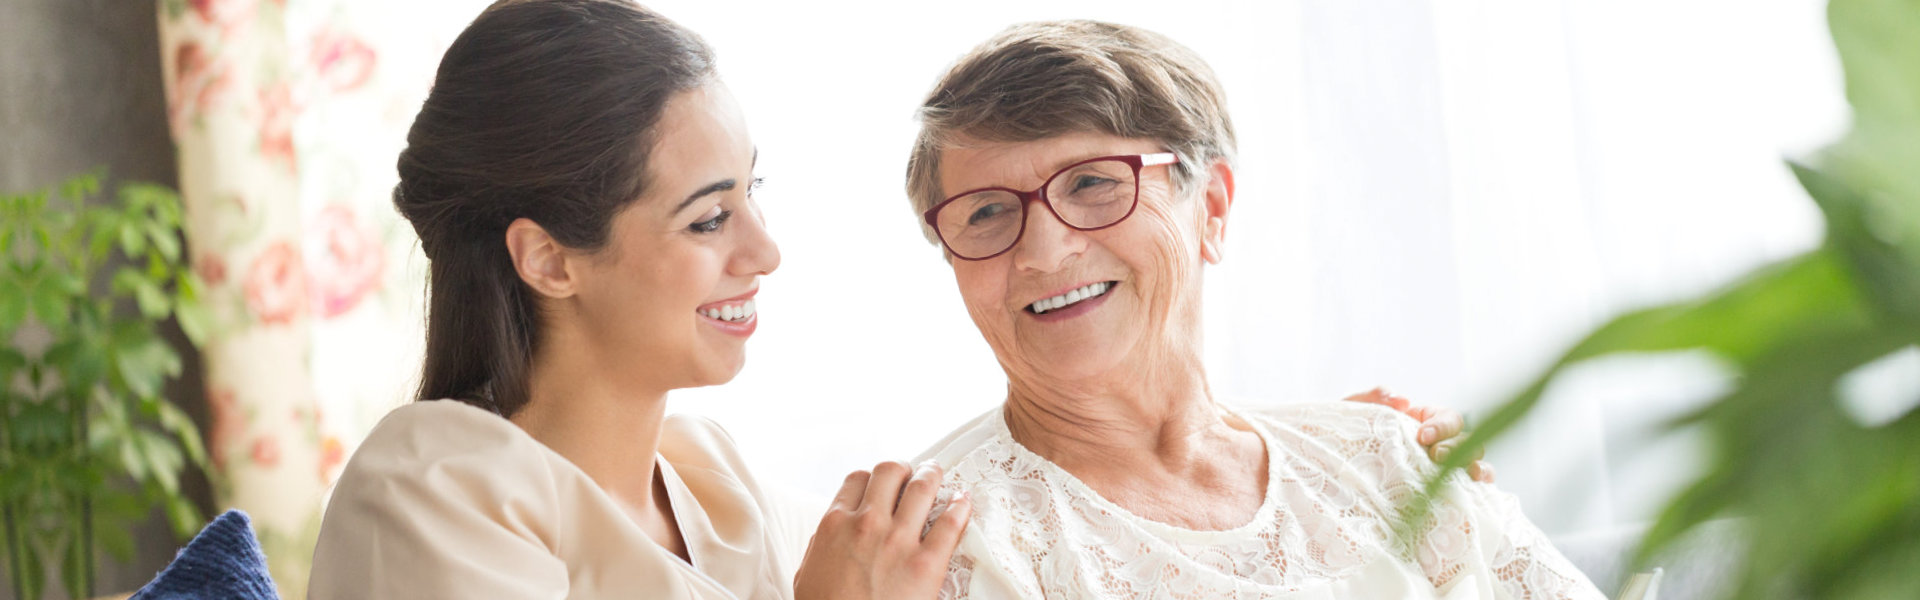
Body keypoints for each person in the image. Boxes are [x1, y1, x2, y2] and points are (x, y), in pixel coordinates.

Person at [309, 1, 1484, 598]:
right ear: (550, 259)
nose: (765, 251)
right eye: (710, 217)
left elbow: (1043, 499)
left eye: (755, 196)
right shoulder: (439, 484)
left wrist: (1323, 456)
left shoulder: (720, 490)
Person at [904, 20, 1603, 599]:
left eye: (1092, 183)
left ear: (1210, 207)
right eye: (987, 211)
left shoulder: (1384, 458)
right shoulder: (935, 546)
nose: (1045, 251)